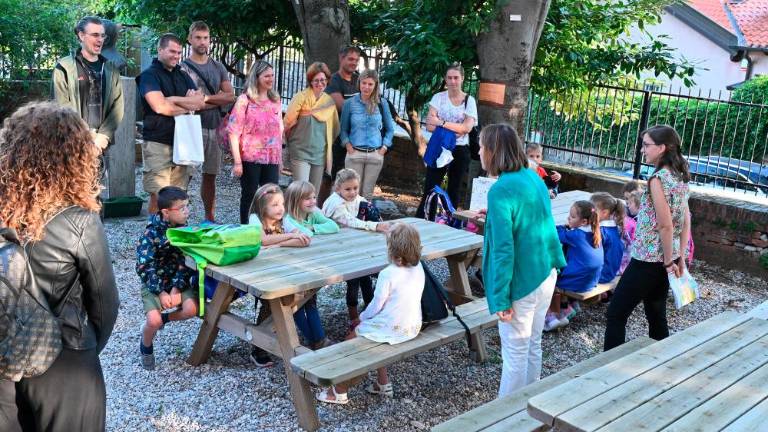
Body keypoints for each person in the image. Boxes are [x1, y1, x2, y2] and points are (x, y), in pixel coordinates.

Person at [0, 102, 119, 431]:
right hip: (64, 362)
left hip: (4, 360)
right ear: (74, 156)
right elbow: (105, 306)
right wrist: (84, 348)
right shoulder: (79, 220)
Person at [478, 123, 566, 397]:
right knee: (532, 345)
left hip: (523, 280)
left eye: (481, 146)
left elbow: (504, 249)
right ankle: (529, 414)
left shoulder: (501, 189)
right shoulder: (532, 177)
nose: (479, 152)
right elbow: (534, 219)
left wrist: (501, 297)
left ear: (492, 151)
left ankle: (507, 421)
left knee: (515, 354)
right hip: (545, 272)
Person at [316, 223, 424, 404]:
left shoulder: (388, 273)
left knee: (351, 343)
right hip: (411, 326)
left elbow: (376, 305)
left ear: (392, 249)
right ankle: (383, 383)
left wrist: (361, 318)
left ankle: (339, 391)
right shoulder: (418, 267)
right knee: (375, 339)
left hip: (391, 328)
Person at [604, 125, 691, 351]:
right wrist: (679, 256)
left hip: (648, 260)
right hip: (665, 260)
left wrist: (669, 261)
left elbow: (666, 224)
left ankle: (607, 370)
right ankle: (662, 363)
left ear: (662, 148)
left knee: (616, 314)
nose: (643, 150)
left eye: (646, 145)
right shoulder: (679, 175)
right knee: (656, 315)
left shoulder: (658, 179)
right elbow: (686, 218)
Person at [137, 33, 206, 214]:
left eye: (179, 52)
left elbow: (200, 102)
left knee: (178, 195)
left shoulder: (182, 75)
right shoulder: (148, 76)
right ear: (160, 50)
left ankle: (173, 237)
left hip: (182, 142)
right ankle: (153, 236)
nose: (176, 56)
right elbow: (160, 107)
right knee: (159, 195)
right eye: (172, 51)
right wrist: (186, 104)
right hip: (158, 142)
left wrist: (173, 100)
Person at [135, 186, 199, 371]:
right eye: (181, 208)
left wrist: (176, 288)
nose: (186, 211)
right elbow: (144, 266)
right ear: (165, 212)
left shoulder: (183, 230)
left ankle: (164, 319)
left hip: (176, 281)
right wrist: (161, 292)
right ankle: (146, 345)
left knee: (191, 309)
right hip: (154, 283)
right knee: (152, 322)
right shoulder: (150, 234)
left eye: (187, 206)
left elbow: (186, 260)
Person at [247, 183, 311, 366]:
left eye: (282, 204)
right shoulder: (255, 219)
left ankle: (275, 339)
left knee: (288, 300)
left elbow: (304, 239)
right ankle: (258, 348)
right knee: (269, 304)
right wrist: (289, 237)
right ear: (262, 206)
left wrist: (278, 245)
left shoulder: (286, 220)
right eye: (274, 205)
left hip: (283, 270)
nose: (280, 208)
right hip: (259, 272)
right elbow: (262, 239)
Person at [180, 21, 235, 223]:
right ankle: (179, 218)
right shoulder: (183, 68)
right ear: (190, 39)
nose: (202, 42)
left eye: (206, 38)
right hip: (192, 127)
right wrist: (210, 101)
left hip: (215, 127)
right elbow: (187, 103)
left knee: (210, 175)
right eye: (198, 37)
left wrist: (204, 100)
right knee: (185, 176)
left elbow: (230, 96)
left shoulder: (217, 66)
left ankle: (209, 218)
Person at [322, 168, 390, 323]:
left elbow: (365, 204)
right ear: (338, 188)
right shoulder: (335, 204)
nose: (352, 192)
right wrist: (375, 226)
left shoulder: (354, 198)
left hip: (352, 246)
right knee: (354, 280)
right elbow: (350, 221)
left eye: (355, 188)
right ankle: (353, 315)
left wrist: (379, 220)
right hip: (336, 249)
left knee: (365, 276)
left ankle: (371, 308)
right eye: (348, 189)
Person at [52, 16, 124, 153]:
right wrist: (89, 135)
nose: (100, 40)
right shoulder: (64, 67)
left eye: (103, 36)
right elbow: (61, 106)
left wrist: (103, 136)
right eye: (95, 35)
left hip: (101, 145)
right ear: (81, 35)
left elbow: (118, 106)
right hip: (72, 143)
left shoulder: (111, 69)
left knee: (101, 175)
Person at [416, 63, 478, 217]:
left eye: (456, 77)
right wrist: (454, 129)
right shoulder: (438, 98)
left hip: (460, 149)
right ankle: (423, 218)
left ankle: (450, 221)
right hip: (439, 146)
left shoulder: (469, 101)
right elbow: (430, 125)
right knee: (431, 185)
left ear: (462, 78)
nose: (452, 81)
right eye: (449, 78)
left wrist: (442, 123)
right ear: (445, 79)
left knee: (454, 188)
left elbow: (466, 128)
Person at [284, 180, 338, 349]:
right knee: (296, 305)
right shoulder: (289, 219)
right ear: (295, 201)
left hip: (309, 265)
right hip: (291, 268)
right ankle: (316, 340)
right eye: (307, 198)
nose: (313, 201)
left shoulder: (312, 213)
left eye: (314, 197)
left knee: (311, 300)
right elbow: (304, 235)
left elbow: (334, 226)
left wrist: (314, 228)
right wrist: (311, 230)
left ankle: (318, 339)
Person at [228, 60, 283, 224]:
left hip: (271, 157)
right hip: (250, 156)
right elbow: (233, 131)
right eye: (267, 76)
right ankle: (246, 227)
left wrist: (279, 159)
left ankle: (270, 228)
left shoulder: (276, 100)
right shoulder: (245, 100)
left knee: (272, 195)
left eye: (272, 75)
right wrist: (237, 162)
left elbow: (279, 131)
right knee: (249, 195)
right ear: (256, 77)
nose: (271, 79)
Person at [544, 201, 604, 331]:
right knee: (568, 268)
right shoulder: (595, 232)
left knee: (551, 279)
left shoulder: (576, 235)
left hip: (579, 283)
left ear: (583, 222)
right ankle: (568, 306)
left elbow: (555, 234)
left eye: (572, 217)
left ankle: (552, 316)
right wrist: (569, 226)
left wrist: (563, 227)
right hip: (591, 281)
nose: (568, 218)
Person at [283, 62, 340, 193]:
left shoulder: (329, 102)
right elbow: (287, 123)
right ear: (310, 80)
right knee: (301, 192)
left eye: (323, 80)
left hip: (319, 154)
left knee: (313, 194)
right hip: (300, 152)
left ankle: (309, 215)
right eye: (316, 80)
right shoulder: (300, 97)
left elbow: (335, 129)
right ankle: (295, 214)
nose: (320, 83)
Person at [339, 69, 394, 200]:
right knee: (351, 194)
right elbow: (343, 129)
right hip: (355, 154)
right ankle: (349, 220)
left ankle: (363, 220)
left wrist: (384, 148)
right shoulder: (350, 103)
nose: (366, 87)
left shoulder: (382, 104)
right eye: (364, 83)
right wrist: (348, 146)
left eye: (370, 84)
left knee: (367, 194)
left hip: (375, 155)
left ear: (375, 85)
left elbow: (390, 129)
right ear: (359, 83)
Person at [319, 45, 362, 205]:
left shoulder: (359, 80)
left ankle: (343, 211)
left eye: (356, 60)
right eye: (350, 59)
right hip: (336, 137)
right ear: (341, 58)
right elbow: (342, 107)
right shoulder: (334, 81)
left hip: (355, 138)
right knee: (329, 177)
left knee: (349, 179)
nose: (354, 63)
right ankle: (321, 209)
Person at [591, 192, 626, 284]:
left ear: (604, 212)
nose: (589, 212)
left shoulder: (601, 231)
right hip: (611, 273)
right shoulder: (614, 228)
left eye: (592, 210)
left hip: (601, 275)